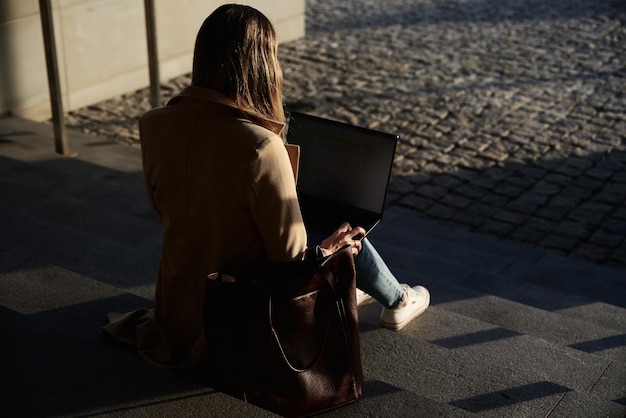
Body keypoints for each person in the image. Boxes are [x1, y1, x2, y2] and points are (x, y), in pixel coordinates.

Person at [103, 3, 429, 376]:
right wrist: (331, 252)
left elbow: (164, 206)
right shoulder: (260, 147)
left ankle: (389, 295)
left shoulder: (154, 123)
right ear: (262, 65)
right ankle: (399, 299)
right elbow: (288, 260)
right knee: (342, 229)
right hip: (236, 318)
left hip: (176, 310)